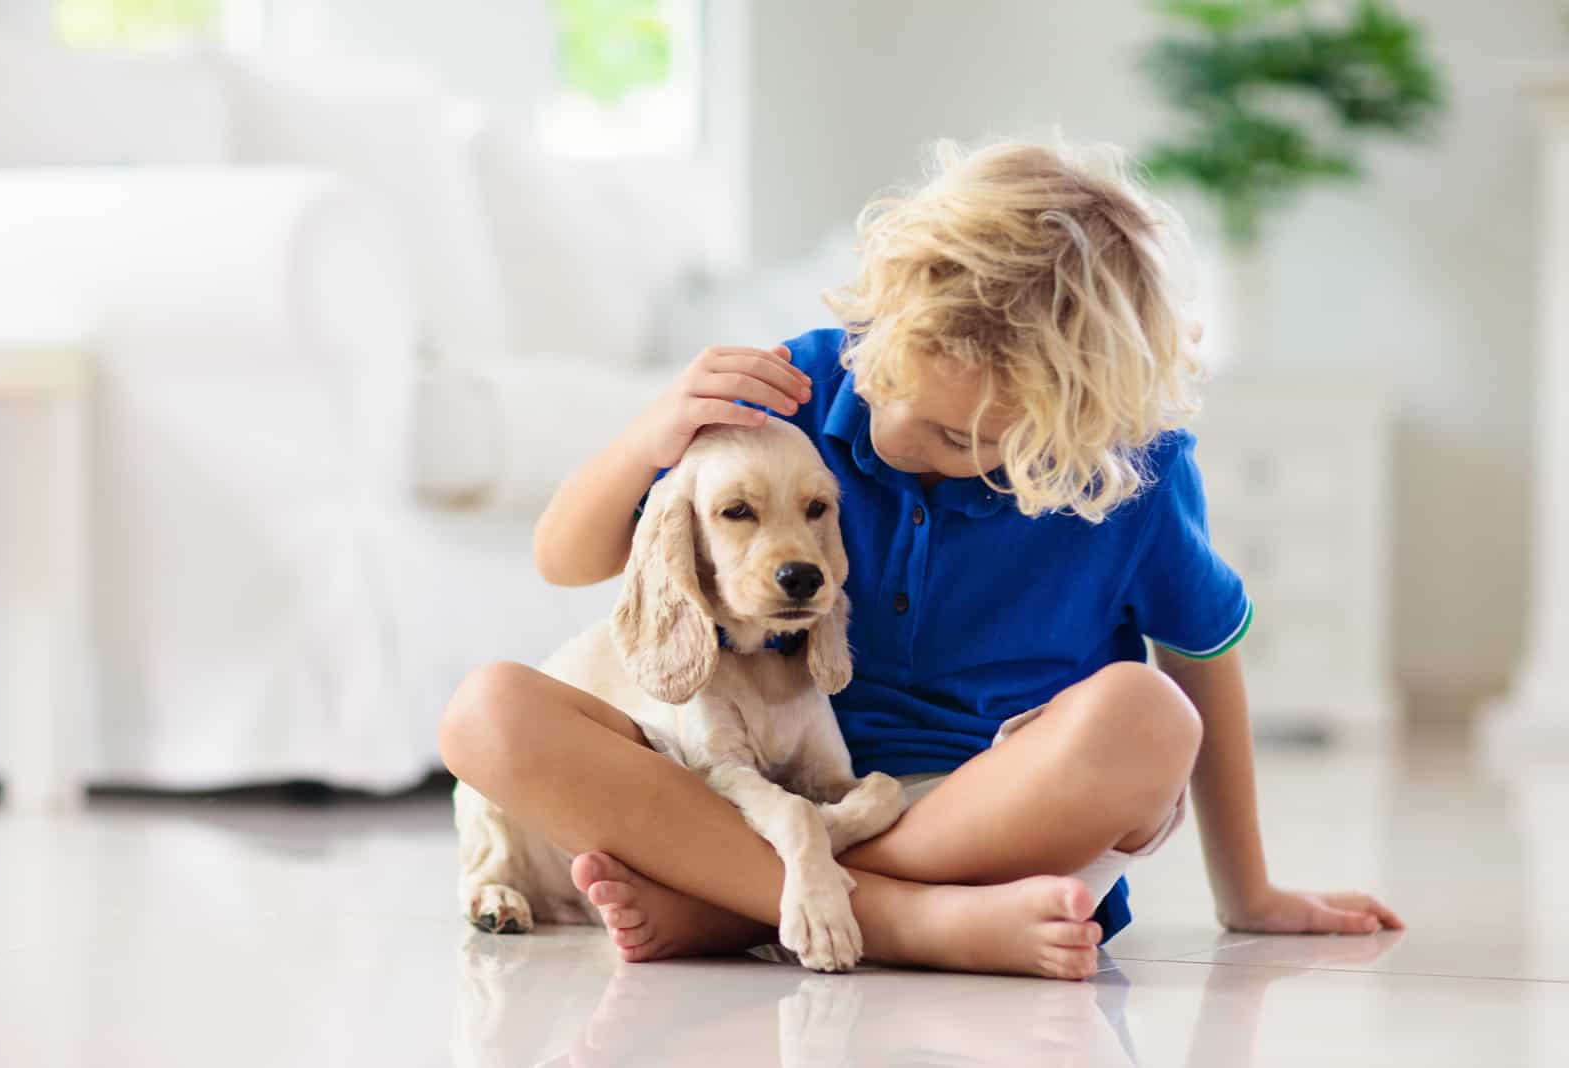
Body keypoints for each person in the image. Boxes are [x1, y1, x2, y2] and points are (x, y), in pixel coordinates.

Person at [438, 138, 1403, 980]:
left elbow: (1203, 657)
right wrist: (647, 437)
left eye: (970, 444)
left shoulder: (1130, 468)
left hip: (986, 815)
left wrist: (1252, 892)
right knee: (487, 715)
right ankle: (905, 923)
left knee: (1150, 716)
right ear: (887, 323)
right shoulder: (792, 385)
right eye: (915, 406)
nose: (912, 444)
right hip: (772, 796)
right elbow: (565, 560)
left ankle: (751, 905)